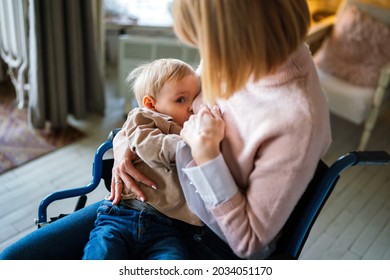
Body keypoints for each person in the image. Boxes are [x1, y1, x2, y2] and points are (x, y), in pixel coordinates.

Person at [0, 0, 331, 260]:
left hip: (201, 238)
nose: (206, 55)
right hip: (146, 202)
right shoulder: (238, 57)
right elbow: (161, 105)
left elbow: (249, 243)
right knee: (13, 259)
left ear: (238, 34)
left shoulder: (296, 120)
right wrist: (126, 142)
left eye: (204, 40)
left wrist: (207, 157)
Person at [82, 58, 202, 260]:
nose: (191, 107)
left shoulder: (189, 127)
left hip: (167, 228)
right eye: (181, 100)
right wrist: (190, 144)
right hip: (122, 215)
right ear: (151, 104)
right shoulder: (144, 119)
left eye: (195, 99)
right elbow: (149, 146)